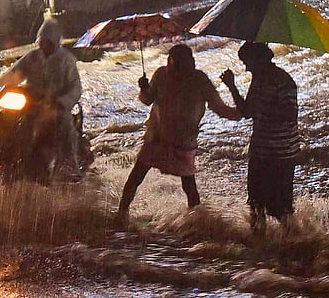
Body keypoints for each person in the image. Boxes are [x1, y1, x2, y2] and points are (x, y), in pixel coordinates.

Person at [116, 44, 241, 224]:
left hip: (184, 140)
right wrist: (143, 88)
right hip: (158, 135)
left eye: (184, 65)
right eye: (175, 66)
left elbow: (219, 108)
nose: (179, 71)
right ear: (169, 63)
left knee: (188, 185)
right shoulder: (161, 74)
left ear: (191, 63)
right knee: (137, 175)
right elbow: (147, 100)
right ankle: (121, 213)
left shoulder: (200, 80)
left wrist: (240, 112)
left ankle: (197, 221)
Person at [220, 41, 300, 233]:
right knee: (256, 204)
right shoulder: (258, 79)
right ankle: (259, 248)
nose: (247, 67)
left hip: (281, 154)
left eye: (248, 62)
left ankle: (295, 245)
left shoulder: (283, 80)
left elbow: (291, 114)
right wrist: (232, 87)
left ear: (260, 60)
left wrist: (265, 109)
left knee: (281, 209)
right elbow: (247, 112)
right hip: (260, 150)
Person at [0, 18, 82, 177]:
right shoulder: (31, 57)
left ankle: (70, 167)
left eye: (47, 42)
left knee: (66, 129)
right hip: (31, 106)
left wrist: (61, 102)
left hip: (56, 107)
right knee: (7, 121)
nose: (43, 45)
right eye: (42, 41)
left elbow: (76, 88)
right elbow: (13, 74)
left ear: (55, 42)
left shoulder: (67, 61)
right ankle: (3, 160)